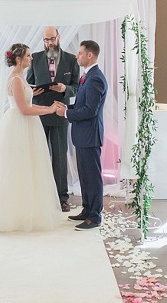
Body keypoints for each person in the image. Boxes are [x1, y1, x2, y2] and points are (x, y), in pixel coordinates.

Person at [0, 43, 62, 232]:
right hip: (19, 125)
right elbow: (24, 109)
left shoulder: (20, 77)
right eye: (28, 56)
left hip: (25, 125)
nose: (32, 58)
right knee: (17, 169)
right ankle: (12, 215)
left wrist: (32, 91)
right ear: (19, 59)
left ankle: (26, 211)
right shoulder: (15, 78)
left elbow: (25, 99)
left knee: (28, 168)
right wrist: (49, 109)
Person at [55, 40, 108, 231]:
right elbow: (81, 105)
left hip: (90, 136)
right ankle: (87, 210)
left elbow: (90, 111)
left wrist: (67, 114)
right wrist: (67, 108)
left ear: (89, 55)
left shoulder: (95, 78)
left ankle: (95, 216)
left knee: (92, 177)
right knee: (85, 176)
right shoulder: (88, 76)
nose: (76, 56)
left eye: (79, 53)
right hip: (82, 135)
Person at [27, 26, 80, 212]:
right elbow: (27, 85)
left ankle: (62, 198)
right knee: (39, 156)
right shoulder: (35, 58)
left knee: (59, 156)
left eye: (52, 39)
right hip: (40, 112)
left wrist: (65, 89)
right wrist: (33, 91)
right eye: (46, 40)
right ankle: (39, 196)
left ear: (59, 37)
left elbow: (77, 87)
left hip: (59, 113)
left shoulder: (72, 60)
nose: (49, 43)